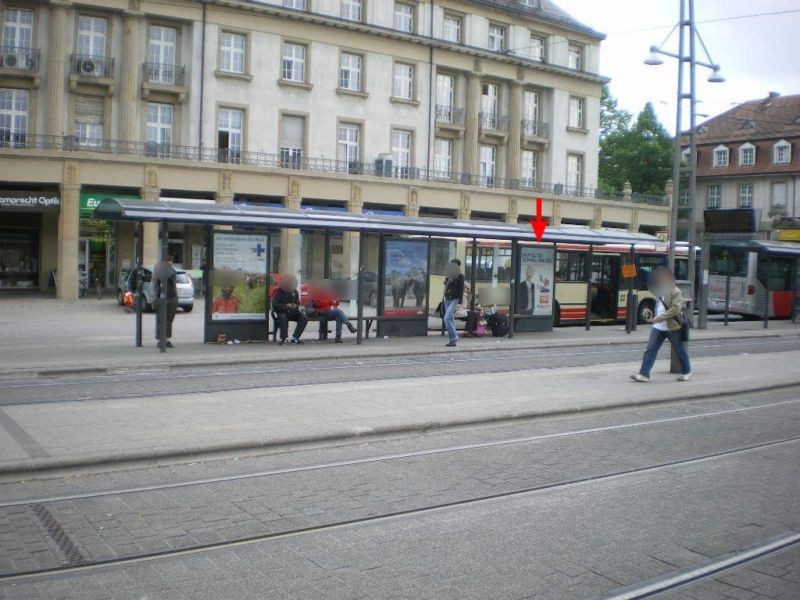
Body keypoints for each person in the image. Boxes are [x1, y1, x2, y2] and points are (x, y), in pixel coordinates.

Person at [631, 266, 692, 382]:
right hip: (658, 327)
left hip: (672, 326)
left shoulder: (676, 291)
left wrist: (660, 317)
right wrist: (654, 318)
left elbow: (676, 309)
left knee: (679, 350)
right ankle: (644, 374)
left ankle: (687, 371)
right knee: (650, 349)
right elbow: (659, 306)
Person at [272, 274, 308, 345]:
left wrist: (295, 305)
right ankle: (284, 338)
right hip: (282, 311)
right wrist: (285, 305)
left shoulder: (294, 291)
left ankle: (295, 337)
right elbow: (275, 305)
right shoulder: (278, 292)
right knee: (283, 318)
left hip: (293, 311)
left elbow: (297, 302)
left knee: (304, 318)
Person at [153, 257, 178, 348]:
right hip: (161, 298)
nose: (171, 263)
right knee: (161, 319)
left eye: (171, 262)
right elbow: (160, 280)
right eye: (169, 262)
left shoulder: (172, 270)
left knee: (169, 320)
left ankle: (166, 339)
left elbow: (173, 280)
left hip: (172, 297)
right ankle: (160, 339)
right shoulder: (159, 269)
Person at [442, 258, 465, 347]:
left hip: (454, 299)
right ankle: (453, 340)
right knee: (450, 318)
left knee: (447, 319)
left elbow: (461, 289)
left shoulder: (460, 276)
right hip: (447, 299)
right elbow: (446, 285)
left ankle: (454, 337)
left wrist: (460, 301)